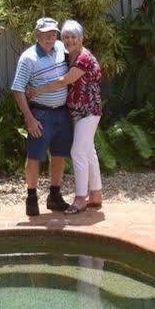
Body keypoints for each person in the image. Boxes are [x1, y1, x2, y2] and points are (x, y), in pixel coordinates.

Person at [11, 17, 73, 216]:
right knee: (34, 156)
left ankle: (54, 196)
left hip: (62, 113)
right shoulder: (28, 58)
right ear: (37, 36)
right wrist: (29, 119)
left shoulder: (62, 49)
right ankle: (31, 196)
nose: (50, 37)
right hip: (40, 114)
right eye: (45, 34)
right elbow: (18, 89)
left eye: (53, 33)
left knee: (59, 155)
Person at [58, 20, 104, 211]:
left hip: (88, 111)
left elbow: (66, 80)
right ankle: (96, 193)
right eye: (66, 37)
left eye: (73, 37)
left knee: (77, 152)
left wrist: (39, 88)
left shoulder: (83, 58)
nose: (69, 41)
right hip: (80, 112)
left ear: (81, 38)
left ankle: (80, 198)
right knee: (88, 151)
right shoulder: (71, 56)